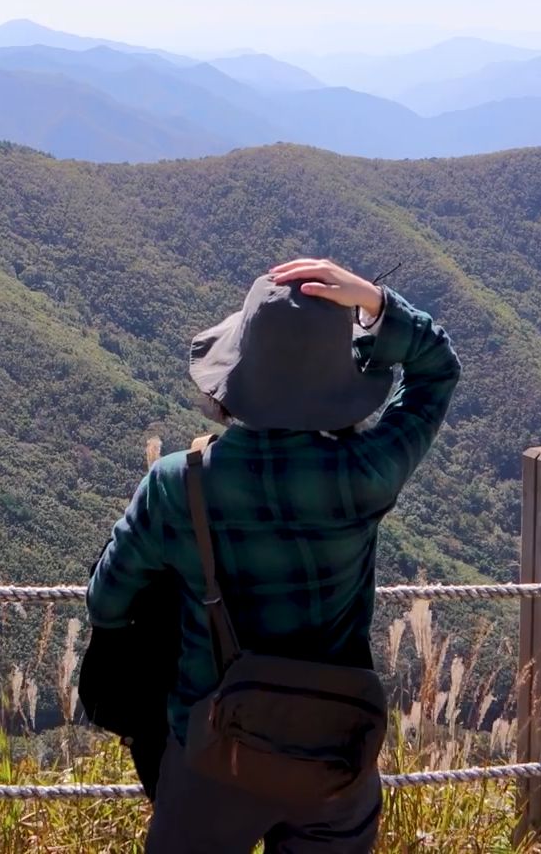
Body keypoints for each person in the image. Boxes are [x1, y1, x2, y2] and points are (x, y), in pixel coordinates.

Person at [87, 256, 461, 853]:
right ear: (337, 386)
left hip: (209, 755)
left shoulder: (177, 484)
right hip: (333, 757)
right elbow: (437, 369)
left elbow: (105, 602)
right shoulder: (364, 474)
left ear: (233, 377)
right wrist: (375, 304)